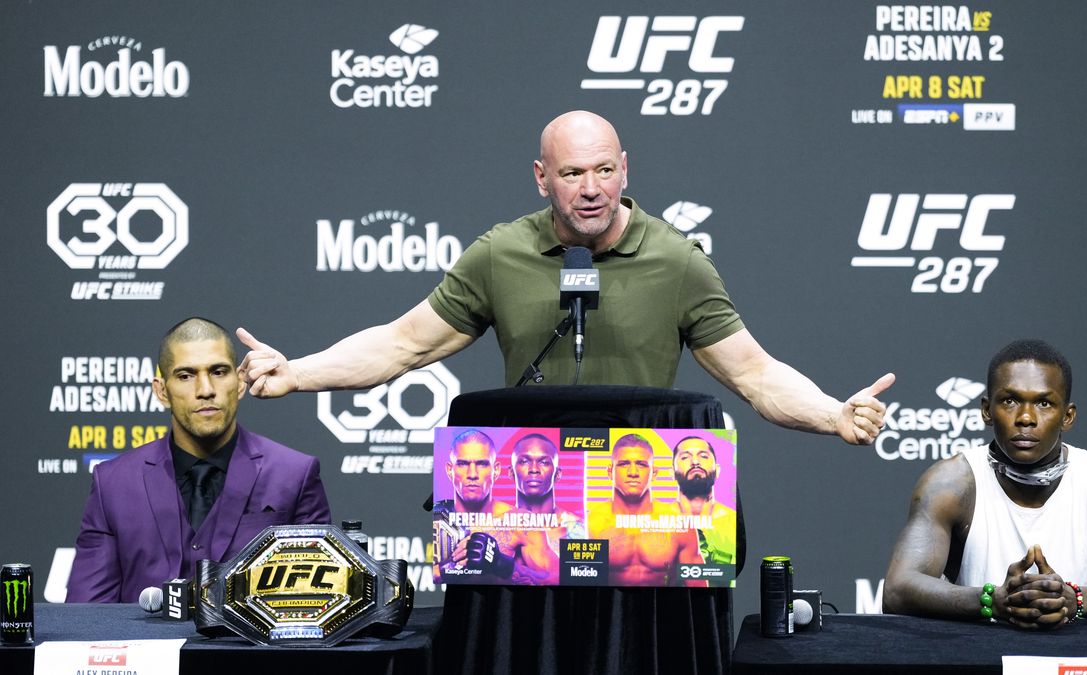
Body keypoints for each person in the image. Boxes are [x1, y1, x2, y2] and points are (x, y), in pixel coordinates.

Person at [236, 110, 893, 447]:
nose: (590, 189)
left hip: (646, 494)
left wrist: (833, 412)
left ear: (626, 170)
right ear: (541, 177)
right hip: (526, 495)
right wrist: (300, 371)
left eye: (604, 170)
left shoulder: (676, 259)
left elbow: (754, 373)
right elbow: (404, 343)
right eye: (572, 173)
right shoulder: (500, 253)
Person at [882, 339, 1087, 628]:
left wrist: (1074, 599)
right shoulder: (952, 483)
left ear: (1068, 416)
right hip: (978, 660)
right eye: (1010, 400)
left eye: (1044, 403)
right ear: (987, 410)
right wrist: (991, 601)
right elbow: (898, 590)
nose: (1026, 418)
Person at [66, 318, 331, 603]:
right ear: (161, 391)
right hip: (150, 648)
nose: (205, 389)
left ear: (240, 383)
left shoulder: (294, 474)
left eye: (218, 372)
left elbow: (314, 607)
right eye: (185, 375)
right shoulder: (113, 482)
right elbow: (88, 615)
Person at [434, 429, 558, 584]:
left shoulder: (519, 522)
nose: (472, 474)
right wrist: (448, 569)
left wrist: (500, 563)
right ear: (450, 470)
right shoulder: (436, 519)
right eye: (463, 464)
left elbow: (555, 578)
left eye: (482, 464)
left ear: (496, 470)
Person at [586, 434, 706, 587]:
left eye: (641, 464)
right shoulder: (591, 524)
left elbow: (700, 592)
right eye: (623, 464)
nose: (633, 472)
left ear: (654, 473)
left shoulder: (680, 525)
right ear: (610, 472)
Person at [509, 432, 585, 552]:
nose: (534, 469)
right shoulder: (496, 526)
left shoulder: (578, 530)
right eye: (524, 461)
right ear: (511, 472)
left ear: (558, 474)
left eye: (544, 462)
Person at [672, 436, 736, 566]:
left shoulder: (733, 522)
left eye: (703, 456)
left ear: (717, 470)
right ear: (672, 473)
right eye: (685, 457)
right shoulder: (655, 520)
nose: (695, 461)